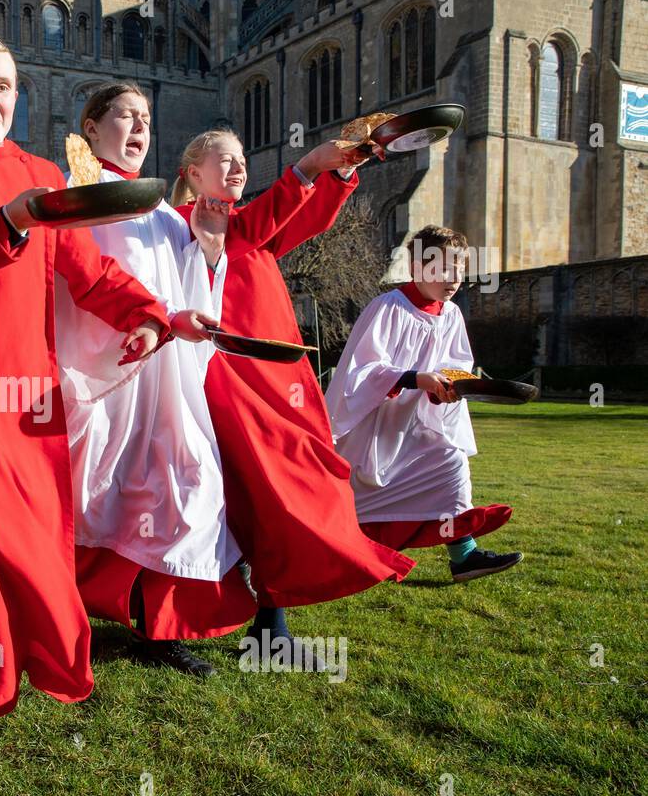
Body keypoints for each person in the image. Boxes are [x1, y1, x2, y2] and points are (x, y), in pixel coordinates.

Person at [0, 34, 209, 733]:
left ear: (18, 98)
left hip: (29, 395)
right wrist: (12, 219)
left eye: (2, 86)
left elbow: (86, 272)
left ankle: (3, 659)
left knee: (25, 538)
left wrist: (152, 315)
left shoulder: (43, 174)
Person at [171, 130, 415, 664]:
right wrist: (307, 166)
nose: (238, 168)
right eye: (224, 161)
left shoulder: (250, 229)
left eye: (241, 159)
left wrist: (342, 172)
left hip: (281, 381)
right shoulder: (192, 229)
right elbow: (264, 219)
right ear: (192, 172)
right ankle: (233, 620)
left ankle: (270, 625)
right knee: (259, 493)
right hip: (226, 381)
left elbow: (302, 220)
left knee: (294, 487)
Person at [56, 83, 256, 677]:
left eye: (147, 118)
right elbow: (73, 284)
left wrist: (211, 252)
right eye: (126, 116)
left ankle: (162, 629)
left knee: (186, 488)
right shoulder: (77, 197)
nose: (141, 127)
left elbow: (194, 292)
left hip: (169, 381)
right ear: (91, 128)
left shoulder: (166, 213)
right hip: (103, 377)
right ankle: (62, 610)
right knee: (92, 497)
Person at [326, 224, 521, 582]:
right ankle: (342, 554)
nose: (454, 279)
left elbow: (457, 364)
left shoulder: (451, 315)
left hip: (423, 421)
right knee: (358, 501)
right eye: (444, 269)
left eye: (460, 270)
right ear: (417, 269)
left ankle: (465, 556)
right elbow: (362, 371)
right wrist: (416, 378)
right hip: (378, 426)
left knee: (450, 465)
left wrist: (450, 386)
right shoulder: (388, 308)